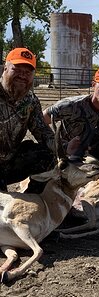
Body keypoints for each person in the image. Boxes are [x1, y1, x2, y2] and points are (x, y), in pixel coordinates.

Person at [0, 47, 56, 192]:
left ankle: (32, 199)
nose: (22, 76)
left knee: (47, 156)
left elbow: (43, 131)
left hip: (9, 163)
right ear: (5, 68)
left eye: (28, 72)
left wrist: (64, 148)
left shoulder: (30, 101)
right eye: (17, 69)